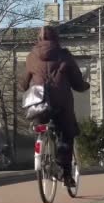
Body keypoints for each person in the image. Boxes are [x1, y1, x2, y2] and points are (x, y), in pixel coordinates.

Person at [19, 26, 90, 187]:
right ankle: (64, 174)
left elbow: (23, 84)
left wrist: (25, 85)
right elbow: (77, 83)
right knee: (66, 134)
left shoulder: (31, 56)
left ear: (38, 39)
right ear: (57, 39)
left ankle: (41, 147)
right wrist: (85, 86)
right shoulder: (64, 56)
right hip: (61, 102)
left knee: (40, 124)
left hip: (38, 103)